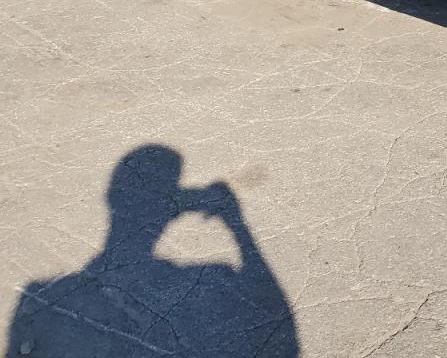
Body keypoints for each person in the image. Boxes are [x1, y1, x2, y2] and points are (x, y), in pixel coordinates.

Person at [5, 145, 297, 358]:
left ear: (112, 199)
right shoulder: (209, 277)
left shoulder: (42, 296)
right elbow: (279, 325)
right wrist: (236, 223)